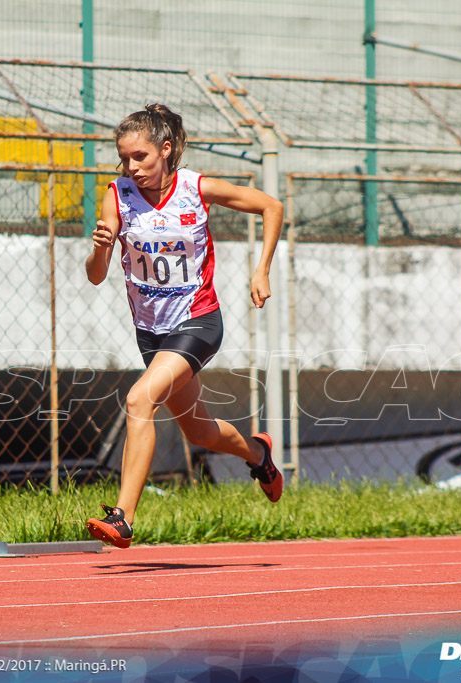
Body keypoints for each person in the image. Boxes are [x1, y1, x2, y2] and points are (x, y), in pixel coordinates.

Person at [84, 103, 285, 549]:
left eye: (141, 157)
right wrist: (100, 250)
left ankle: (123, 517)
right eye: (125, 159)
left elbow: (271, 206)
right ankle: (258, 454)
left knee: (140, 398)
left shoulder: (197, 188)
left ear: (166, 150)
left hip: (197, 321)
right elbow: (97, 275)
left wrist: (261, 269)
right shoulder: (117, 194)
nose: (132, 167)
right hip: (152, 331)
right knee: (200, 432)